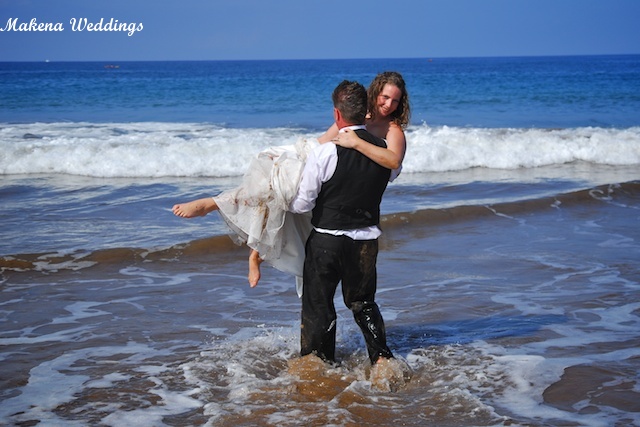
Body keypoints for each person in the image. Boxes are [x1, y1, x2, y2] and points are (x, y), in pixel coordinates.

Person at [172, 71, 410, 290]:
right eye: (385, 97)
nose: (388, 105)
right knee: (274, 180)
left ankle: (250, 244)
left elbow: (392, 162)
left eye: (395, 101)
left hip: (350, 191)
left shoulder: (393, 130)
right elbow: (324, 142)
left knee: (288, 199)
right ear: (375, 92)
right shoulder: (357, 115)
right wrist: (298, 160)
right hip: (327, 166)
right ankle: (226, 215)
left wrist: (356, 142)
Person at [288, 80, 394, 367]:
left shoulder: (324, 153)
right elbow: (390, 175)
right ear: (366, 112)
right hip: (366, 242)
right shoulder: (384, 153)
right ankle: (382, 359)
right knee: (364, 303)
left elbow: (303, 204)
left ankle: (318, 365)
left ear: (337, 115)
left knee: (318, 305)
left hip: (327, 241)